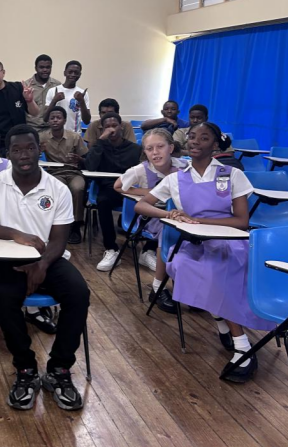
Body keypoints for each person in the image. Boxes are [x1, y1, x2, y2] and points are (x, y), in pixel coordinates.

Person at [134, 122, 274, 383]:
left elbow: (241, 221)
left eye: (204, 137)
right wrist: (169, 213)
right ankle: (222, 321)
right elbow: (141, 205)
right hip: (194, 243)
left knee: (219, 269)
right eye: (192, 136)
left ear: (215, 144)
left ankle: (242, 345)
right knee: (184, 266)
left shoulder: (232, 175)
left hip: (228, 241)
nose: (195, 141)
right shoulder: (175, 178)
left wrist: (201, 221)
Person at [0, 124, 90, 411]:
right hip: (7, 260)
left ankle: (59, 369)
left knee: (79, 294)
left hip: (50, 258)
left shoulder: (58, 189)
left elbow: (59, 238)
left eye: (30, 148)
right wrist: (15, 234)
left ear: (39, 150)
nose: (24, 155)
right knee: (6, 299)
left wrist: (42, 265)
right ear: (8, 154)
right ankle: (25, 369)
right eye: (17, 149)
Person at [113, 129, 188, 312]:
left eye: (160, 146)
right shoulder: (141, 170)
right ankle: (157, 287)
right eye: (149, 149)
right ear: (145, 152)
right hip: (152, 217)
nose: (155, 152)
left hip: (182, 216)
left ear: (171, 148)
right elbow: (118, 186)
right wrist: (147, 192)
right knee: (168, 230)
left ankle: (187, 287)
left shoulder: (184, 167)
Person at [84, 112, 143, 271]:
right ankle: (111, 249)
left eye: (114, 125)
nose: (111, 129)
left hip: (132, 189)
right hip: (110, 189)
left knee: (155, 201)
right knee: (103, 201)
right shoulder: (100, 146)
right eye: (107, 127)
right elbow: (90, 166)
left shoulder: (135, 149)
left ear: (121, 127)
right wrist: (100, 141)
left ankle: (148, 250)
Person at [39, 106, 88, 244]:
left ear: (65, 120)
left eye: (58, 118)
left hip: (73, 172)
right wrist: (39, 151)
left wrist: (80, 159)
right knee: (60, 189)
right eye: (52, 118)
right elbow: (34, 156)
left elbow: (87, 159)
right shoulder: (42, 137)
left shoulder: (74, 137)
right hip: (54, 173)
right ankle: (57, 225)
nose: (55, 120)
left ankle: (76, 226)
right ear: (48, 121)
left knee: (78, 188)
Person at [44, 61, 91, 133]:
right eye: (70, 72)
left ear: (80, 75)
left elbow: (87, 121)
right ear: (65, 73)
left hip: (75, 135)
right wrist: (54, 100)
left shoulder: (82, 94)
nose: (73, 75)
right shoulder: (52, 91)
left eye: (76, 72)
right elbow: (45, 118)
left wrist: (82, 101)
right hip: (55, 135)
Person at [25, 54, 62, 132]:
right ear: (36, 68)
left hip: (52, 129)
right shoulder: (26, 86)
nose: (45, 70)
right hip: (32, 128)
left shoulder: (57, 85)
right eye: (41, 67)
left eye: (48, 67)